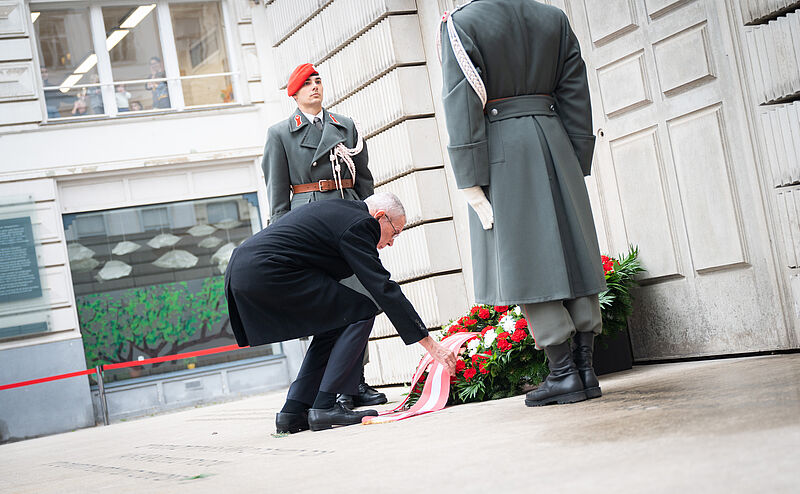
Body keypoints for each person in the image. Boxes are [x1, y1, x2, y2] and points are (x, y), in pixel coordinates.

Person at [439, 0, 606, 407]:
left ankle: (563, 372)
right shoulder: (553, 16)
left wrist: (469, 177)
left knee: (529, 258)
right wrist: (575, 154)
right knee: (574, 251)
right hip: (555, 138)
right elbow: (575, 91)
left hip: (503, 148)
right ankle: (585, 371)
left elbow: (461, 103)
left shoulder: (463, 22)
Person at [224, 193, 457, 433]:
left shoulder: (345, 213)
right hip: (266, 270)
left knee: (338, 320)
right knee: (362, 310)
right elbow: (382, 287)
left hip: (247, 271)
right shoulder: (360, 224)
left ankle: (293, 412)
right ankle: (324, 406)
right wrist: (431, 344)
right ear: (380, 217)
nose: (391, 243)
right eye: (395, 232)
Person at [262, 63, 383, 410]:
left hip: (347, 210)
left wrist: (370, 218)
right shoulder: (280, 133)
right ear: (294, 93)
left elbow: (365, 180)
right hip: (309, 221)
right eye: (307, 84)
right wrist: (282, 240)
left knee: (362, 296)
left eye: (318, 81)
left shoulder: (345, 126)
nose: (315, 87)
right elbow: (276, 196)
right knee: (329, 303)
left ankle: (356, 381)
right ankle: (333, 386)